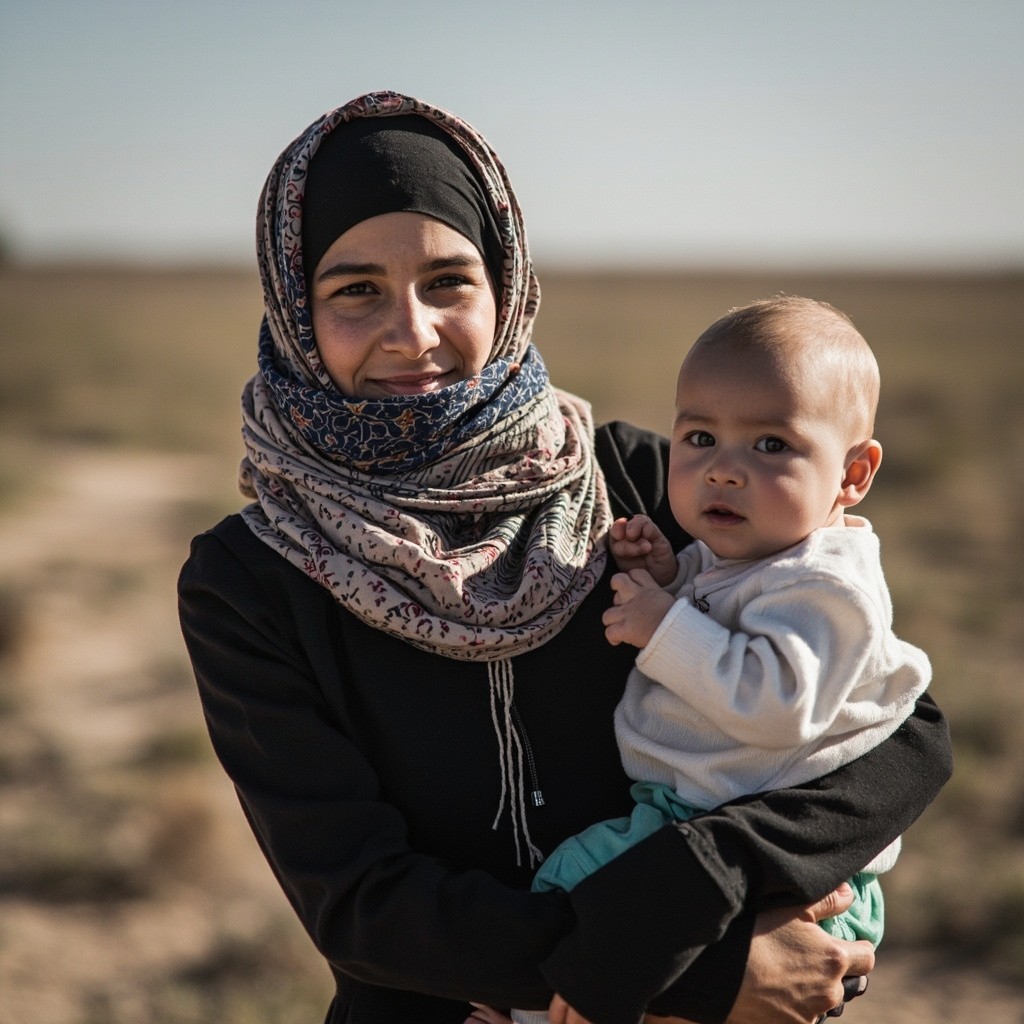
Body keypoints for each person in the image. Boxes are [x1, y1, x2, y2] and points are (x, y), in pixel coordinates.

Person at [177, 91, 952, 1024]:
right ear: (294, 308)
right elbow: (360, 905)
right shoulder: (250, 580)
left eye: (449, 281)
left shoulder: (641, 482)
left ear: (505, 288)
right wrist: (681, 971)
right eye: (355, 290)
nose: (413, 333)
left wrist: (700, 884)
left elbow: (902, 735)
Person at [516, 297, 930, 1024]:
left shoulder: (829, 587)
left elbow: (780, 703)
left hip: (789, 863)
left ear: (853, 473)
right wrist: (669, 575)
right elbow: (728, 607)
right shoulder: (755, 551)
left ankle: (532, 1010)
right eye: (701, 437)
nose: (724, 470)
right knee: (586, 892)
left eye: (771, 444)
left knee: (576, 885)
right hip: (705, 822)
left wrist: (665, 625)